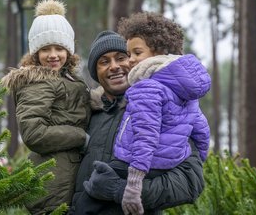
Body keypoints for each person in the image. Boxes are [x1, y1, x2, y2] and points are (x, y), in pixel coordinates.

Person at [70, 30, 206, 215]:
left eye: (122, 57)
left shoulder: (166, 111)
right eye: (104, 62)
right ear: (96, 72)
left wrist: (119, 190)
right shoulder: (86, 116)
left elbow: (191, 181)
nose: (114, 66)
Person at [1, 0, 91, 215]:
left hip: (67, 177)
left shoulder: (67, 79)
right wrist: (80, 137)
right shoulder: (37, 82)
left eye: (59, 47)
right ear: (35, 53)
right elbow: (34, 133)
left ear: (68, 50)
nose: (53, 55)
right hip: (53, 183)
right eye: (45, 49)